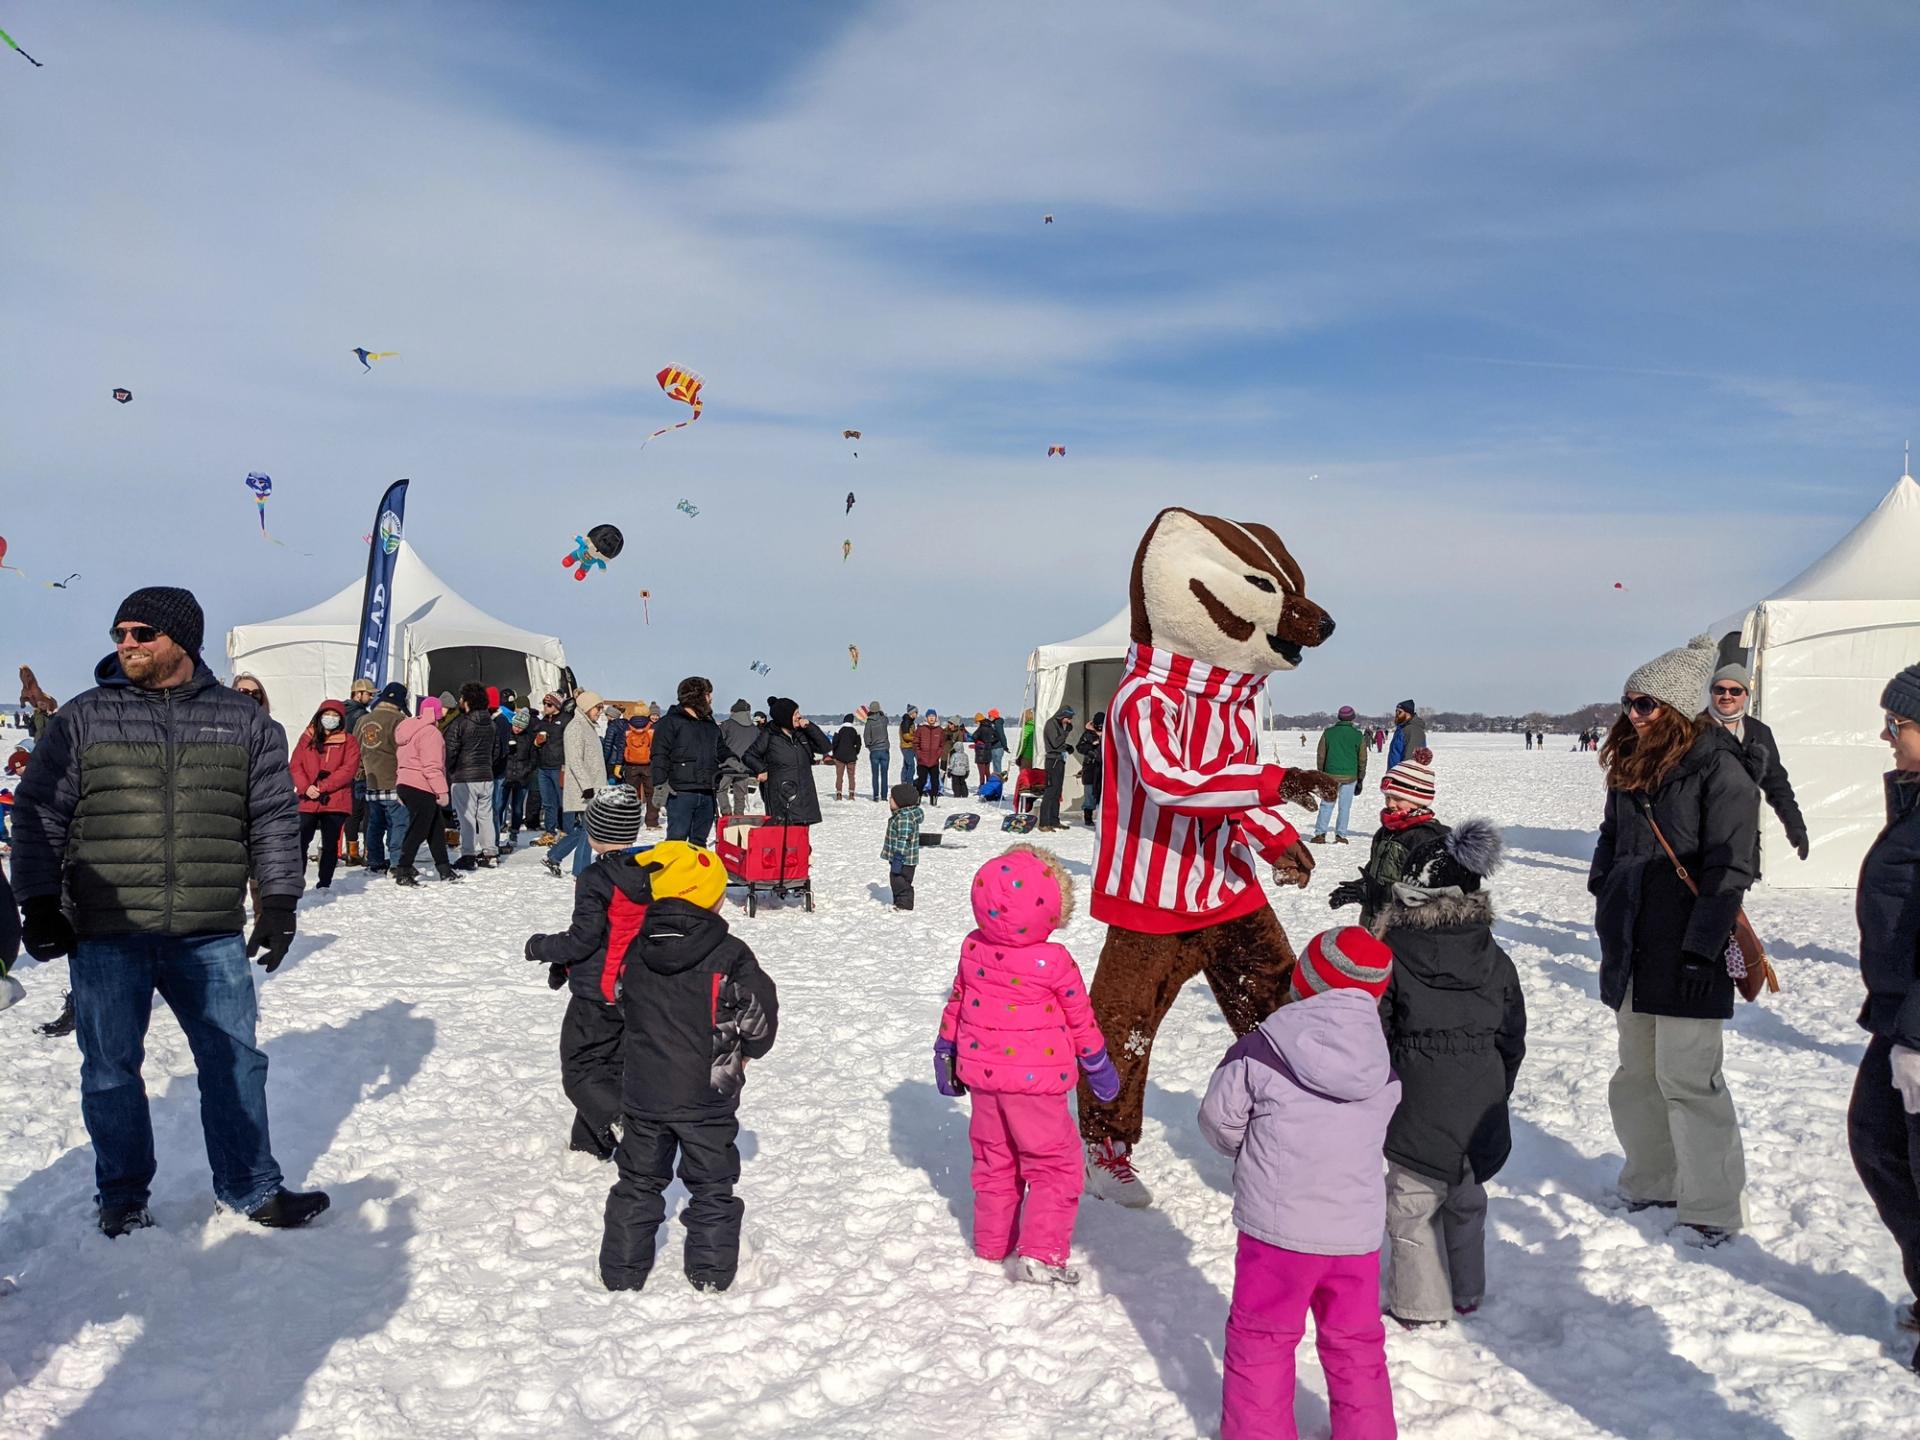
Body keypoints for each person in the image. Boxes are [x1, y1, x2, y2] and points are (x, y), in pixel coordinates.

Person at [11, 585, 327, 1234]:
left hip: (207, 933)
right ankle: (123, 1197)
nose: (125, 644)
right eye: (119, 634)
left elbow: (271, 817)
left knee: (235, 1062)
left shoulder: (244, 723)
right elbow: (39, 813)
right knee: (109, 1072)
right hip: (105, 931)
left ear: (181, 639)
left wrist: (279, 903)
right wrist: (39, 902)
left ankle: (251, 1188)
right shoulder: (82, 719)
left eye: (140, 634)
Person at [1199, 927, 1401, 1440]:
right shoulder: (1382, 1067)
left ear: (1304, 981)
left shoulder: (1260, 1049)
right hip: (1354, 1238)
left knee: (1262, 1339)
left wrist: (1250, 1149)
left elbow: (1218, 1122)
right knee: (1356, 1345)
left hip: (1276, 1233)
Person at [1589, 633, 1757, 1246]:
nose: (1631, 715)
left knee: (1690, 1081)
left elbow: (1731, 866)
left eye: (1644, 704)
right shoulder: (1630, 769)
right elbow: (1611, 839)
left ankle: (1710, 1204)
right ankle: (1652, 1181)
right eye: (1628, 703)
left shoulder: (1721, 769)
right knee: (1636, 1075)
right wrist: (1603, 886)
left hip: (1690, 948)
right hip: (1631, 944)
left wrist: (1702, 946)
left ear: (1678, 708)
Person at [933, 845, 1120, 1285]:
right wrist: (1097, 1064)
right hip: (1036, 1087)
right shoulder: (1053, 961)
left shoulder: (973, 947)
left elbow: (957, 1003)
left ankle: (992, 1244)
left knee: (995, 1160)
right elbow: (1080, 1017)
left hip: (983, 1080)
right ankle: (1040, 1252)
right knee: (1055, 1165)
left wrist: (946, 1049)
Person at [600, 841, 779, 1293]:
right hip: (708, 1092)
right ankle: (711, 1275)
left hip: (644, 1089)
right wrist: (745, 1051)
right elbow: (759, 1021)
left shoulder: (637, 950)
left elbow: (622, 1001)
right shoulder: (731, 953)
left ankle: (621, 1273)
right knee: (713, 1185)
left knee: (637, 1182)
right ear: (710, 896)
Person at [1374, 818, 1525, 1329]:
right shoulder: (1497, 959)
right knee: (1466, 1201)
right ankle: (1466, 1291)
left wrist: (1386, 1087)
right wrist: (1497, 1088)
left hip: (1415, 1101)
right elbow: (1512, 1034)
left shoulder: (1391, 954)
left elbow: (1377, 1031)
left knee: (1412, 1207)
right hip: (1480, 1100)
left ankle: (1419, 1307)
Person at [1848, 662, 1920, 1367]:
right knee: (1876, 1141)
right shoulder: (1915, 795)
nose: (1887, 736)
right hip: (1898, 1016)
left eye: (1897, 725)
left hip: (1918, 1027)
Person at [524, 785, 652, 1160]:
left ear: (595, 833)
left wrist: (540, 946)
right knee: (611, 1065)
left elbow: (583, 939)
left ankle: (623, 1121)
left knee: (580, 1068)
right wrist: (563, 966)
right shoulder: (651, 871)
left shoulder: (596, 878)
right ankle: (589, 1144)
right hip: (636, 989)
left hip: (597, 994)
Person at [1708, 661, 1809, 870]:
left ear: (1745, 695)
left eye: (1735, 690)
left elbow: (1777, 783)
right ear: (1712, 693)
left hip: (1743, 837)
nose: (1727, 696)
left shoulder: (1759, 732)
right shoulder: (1694, 730)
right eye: (1720, 689)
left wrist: (1795, 825)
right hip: (1704, 837)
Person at [1328, 748, 1441, 930]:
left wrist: (1377, 894)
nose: (1390, 804)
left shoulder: (1426, 838)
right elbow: (1379, 871)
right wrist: (1361, 886)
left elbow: (1427, 894)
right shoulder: (1386, 831)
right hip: (1375, 924)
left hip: (1405, 933)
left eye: (1398, 798)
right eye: (1387, 797)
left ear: (1419, 800)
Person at [290, 699, 361, 891]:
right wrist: (306, 787)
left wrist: (323, 786)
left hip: (335, 800)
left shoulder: (349, 741)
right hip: (307, 799)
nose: (330, 719)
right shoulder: (307, 738)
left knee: (330, 843)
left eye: (335, 715)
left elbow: (348, 770)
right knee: (300, 840)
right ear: (319, 716)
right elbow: (295, 765)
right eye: (327, 715)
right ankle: (296, 881)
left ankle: (325, 883)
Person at [393, 695, 459, 886]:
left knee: (435, 828)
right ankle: (403, 869)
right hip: (421, 784)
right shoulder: (431, 733)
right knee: (419, 829)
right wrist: (442, 791)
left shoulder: (409, 730)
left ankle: (444, 868)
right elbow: (432, 766)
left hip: (406, 783)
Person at [652, 676, 722, 846]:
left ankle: (695, 873)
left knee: (699, 843)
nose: (711, 698)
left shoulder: (709, 723)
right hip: (680, 793)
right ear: (698, 696)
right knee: (677, 842)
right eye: (708, 694)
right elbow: (659, 755)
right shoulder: (670, 722)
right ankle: (674, 873)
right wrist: (660, 784)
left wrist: (733, 760)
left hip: (707, 790)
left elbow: (721, 748)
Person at [548, 691, 609, 880]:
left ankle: (554, 856)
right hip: (585, 789)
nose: (600, 712)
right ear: (586, 707)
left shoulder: (589, 727)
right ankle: (581, 870)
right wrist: (586, 786)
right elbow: (575, 761)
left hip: (594, 787)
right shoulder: (575, 727)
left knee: (585, 828)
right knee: (590, 828)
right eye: (597, 708)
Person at [743, 697, 830, 826]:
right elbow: (749, 755)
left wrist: (810, 727)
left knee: (800, 840)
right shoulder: (769, 735)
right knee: (783, 839)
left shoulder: (801, 734)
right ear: (785, 717)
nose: (799, 716)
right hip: (782, 797)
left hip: (805, 796)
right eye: (795, 713)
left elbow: (825, 747)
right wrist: (761, 769)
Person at [353, 682, 410, 877]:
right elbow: (406, 753)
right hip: (395, 782)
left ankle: (375, 860)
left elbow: (355, 752)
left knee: (375, 825)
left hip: (371, 782)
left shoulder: (363, 720)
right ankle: (396, 862)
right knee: (398, 824)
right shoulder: (400, 721)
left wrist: (360, 776)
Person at [444, 682, 502, 870]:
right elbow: (496, 751)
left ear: (468, 701)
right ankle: (490, 853)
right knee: (485, 815)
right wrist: (486, 765)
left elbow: (450, 751)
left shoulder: (460, 723)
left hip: (464, 777)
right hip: (486, 775)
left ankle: (468, 854)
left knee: (466, 817)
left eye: (462, 698)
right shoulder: (491, 724)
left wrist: (451, 770)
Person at [1313, 705, 1369, 845]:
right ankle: (1341, 835)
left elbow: (1321, 755)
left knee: (1326, 805)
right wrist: (1361, 777)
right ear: (1352, 718)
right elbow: (1362, 759)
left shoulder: (1328, 733)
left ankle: (1320, 834)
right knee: (1345, 807)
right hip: (1350, 776)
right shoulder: (1357, 735)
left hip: (1330, 775)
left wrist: (1321, 774)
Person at [342, 677, 377, 865]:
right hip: (360, 769)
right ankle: (367, 852)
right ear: (358, 694)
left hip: (342, 768)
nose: (371, 697)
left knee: (352, 812)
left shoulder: (339, 712)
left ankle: (352, 852)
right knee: (367, 812)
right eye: (369, 694)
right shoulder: (362, 716)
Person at [497, 708, 537, 853]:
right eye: (516, 725)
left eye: (521, 727)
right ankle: (497, 831)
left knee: (517, 808)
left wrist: (527, 770)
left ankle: (514, 832)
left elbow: (533, 757)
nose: (517, 729)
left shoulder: (528, 738)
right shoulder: (506, 735)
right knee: (499, 805)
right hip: (506, 775)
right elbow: (500, 752)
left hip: (521, 777)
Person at [532, 692, 569, 843]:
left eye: (549, 704)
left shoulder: (566, 720)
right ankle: (549, 832)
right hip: (543, 766)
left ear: (557, 705)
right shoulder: (543, 721)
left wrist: (567, 765)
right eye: (544, 704)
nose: (545, 707)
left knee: (563, 801)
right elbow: (533, 742)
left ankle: (566, 831)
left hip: (559, 766)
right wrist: (536, 743)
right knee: (548, 802)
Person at [882, 783, 922, 910]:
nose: (889, 800)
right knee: (897, 880)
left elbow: (904, 838)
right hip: (903, 858)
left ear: (901, 802)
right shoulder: (902, 815)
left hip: (904, 859)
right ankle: (899, 902)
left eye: (892, 798)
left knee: (900, 881)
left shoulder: (904, 818)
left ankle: (904, 905)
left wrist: (898, 857)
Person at [717, 698, 759, 818]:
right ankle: (739, 816)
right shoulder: (755, 729)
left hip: (727, 765)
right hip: (745, 767)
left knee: (721, 789)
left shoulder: (726, 725)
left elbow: (718, 743)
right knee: (740, 793)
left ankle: (726, 814)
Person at [622, 704, 662, 828]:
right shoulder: (651, 729)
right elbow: (657, 747)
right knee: (651, 794)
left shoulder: (627, 728)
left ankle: (629, 822)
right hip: (648, 765)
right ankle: (652, 822)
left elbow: (621, 746)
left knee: (631, 794)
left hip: (631, 765)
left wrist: (619, 764)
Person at [1037, 705, 1074, 832]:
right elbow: (1055, 743)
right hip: (1052, 761)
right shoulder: (1051, 724)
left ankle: (1054, 820)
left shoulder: (1058, 724)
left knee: (1057, 792)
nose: (1069, 722)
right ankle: (1044, 822)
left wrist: (1067, 747)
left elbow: (1059, 743)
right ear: (1062, 715)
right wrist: (1067, 732)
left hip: (1059, 760)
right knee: (1050, 791)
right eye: (1068, 719)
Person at [1075, 711, 1105, 827]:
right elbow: (1079, 747)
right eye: (1098, 726)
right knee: (1089, 793)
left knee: (1103, 793)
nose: (1099, 728)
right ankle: (1088, 817)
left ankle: (1103, 817)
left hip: (1103, 768)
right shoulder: (1088, 734)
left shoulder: (1109, 733)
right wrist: (1090, 748)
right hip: (1090, 768)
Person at [914, 708, 947, 806]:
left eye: (933, 716)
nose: (931, 718)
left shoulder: (940, 730)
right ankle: (918, 797)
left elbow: (942, 744)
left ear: (936, 718)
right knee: (922, 780)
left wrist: (938, 754)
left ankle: (934, 800)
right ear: (926, 718)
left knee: (935, 781)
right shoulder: (921, 729)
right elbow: (915, 743)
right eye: (930, 716)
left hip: (934, 760)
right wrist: (919, 754)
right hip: (922, 760)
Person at [863, 702, 891, 802]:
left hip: (874, 751)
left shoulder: (869, 722)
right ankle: (884, 796)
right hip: (884, 750)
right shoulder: (883, 719)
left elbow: (866, 737)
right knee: (884, 774)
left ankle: (875, 796)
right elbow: (887, 720)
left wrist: (870, 747)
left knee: (875, 775)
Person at [1387, 700, 1427, 770]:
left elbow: (1411, 761)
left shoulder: (1413, 730)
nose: (1396, 714)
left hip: (1403, 777)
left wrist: (1401, 778)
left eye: (1399, 712)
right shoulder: (1402, 729)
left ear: (1408, 714)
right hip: (1395, 774)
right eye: (1396, 711)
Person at [831, 713, 863, 800]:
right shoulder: (855, 730)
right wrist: (855, 752)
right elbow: (859, 744)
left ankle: (838, 794)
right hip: (851, 756)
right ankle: (851, 794)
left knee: (839, 776)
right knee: (851, 776)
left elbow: (834, 743)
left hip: (840, 756)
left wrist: (834, 753)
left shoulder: (839, 729)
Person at [946, 720, 971, 799]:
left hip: (955, 773)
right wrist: (967, 771)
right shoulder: (965, 755)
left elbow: (951, 764)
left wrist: (949, 771)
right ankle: (964, 794)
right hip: (963, 772)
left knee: (955, 783)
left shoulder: (954, 755)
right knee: (963, 783)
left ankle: (957, 794)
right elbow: (967, 764)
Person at [898, 705, 920, 789]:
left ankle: (904, 781)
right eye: (916, 712)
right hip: (906, 746)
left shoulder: (910, 722)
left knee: (906, 765)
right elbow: (906, 736)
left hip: (910, 746)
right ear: (912, 713)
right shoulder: (906, 722)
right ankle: (909, 783)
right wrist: (916, 738)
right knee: (911, 765)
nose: (917, 714)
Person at [988, 707, 1009, 779]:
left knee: (997, 765)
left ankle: (998, 780)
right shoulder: (994, 723)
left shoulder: (997, 723)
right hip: (994, 747)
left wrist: (1005, 746)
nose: (989, 717)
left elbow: (1001, 735)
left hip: (998, 747)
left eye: (990, 716)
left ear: (994, 716)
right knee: (995, 765)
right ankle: (997, 779)